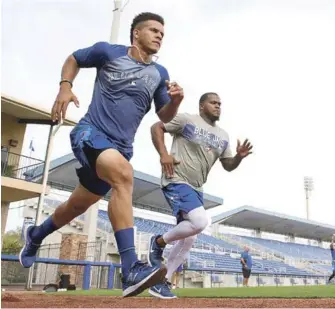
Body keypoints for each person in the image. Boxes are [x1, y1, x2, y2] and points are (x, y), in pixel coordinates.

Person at [18, 12, 184, 298]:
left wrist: (176, 102)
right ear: (136, 33)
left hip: (120, 148)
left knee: (75, 206)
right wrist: (65, 87)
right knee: (123, 176)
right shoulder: (107, 52)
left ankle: (35, 235)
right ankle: (131, 268)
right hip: (90, 133)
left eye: (162, 33)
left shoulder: (160, 74)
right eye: (154, 31)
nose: (160, 36)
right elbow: (74, 58)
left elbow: (164, 115)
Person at [146, 92, 253, 299]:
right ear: (202, 106)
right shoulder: (187, 120)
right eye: (213, 103)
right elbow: (156, 127)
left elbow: (228, 165)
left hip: (196, 188)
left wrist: (238, 157)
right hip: (176, 179)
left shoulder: (223, 135)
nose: (218, 106)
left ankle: (162, 282)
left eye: (220, 103)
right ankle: (158, 242)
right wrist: (164, 155)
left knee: (190, 237)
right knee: (200, 221)